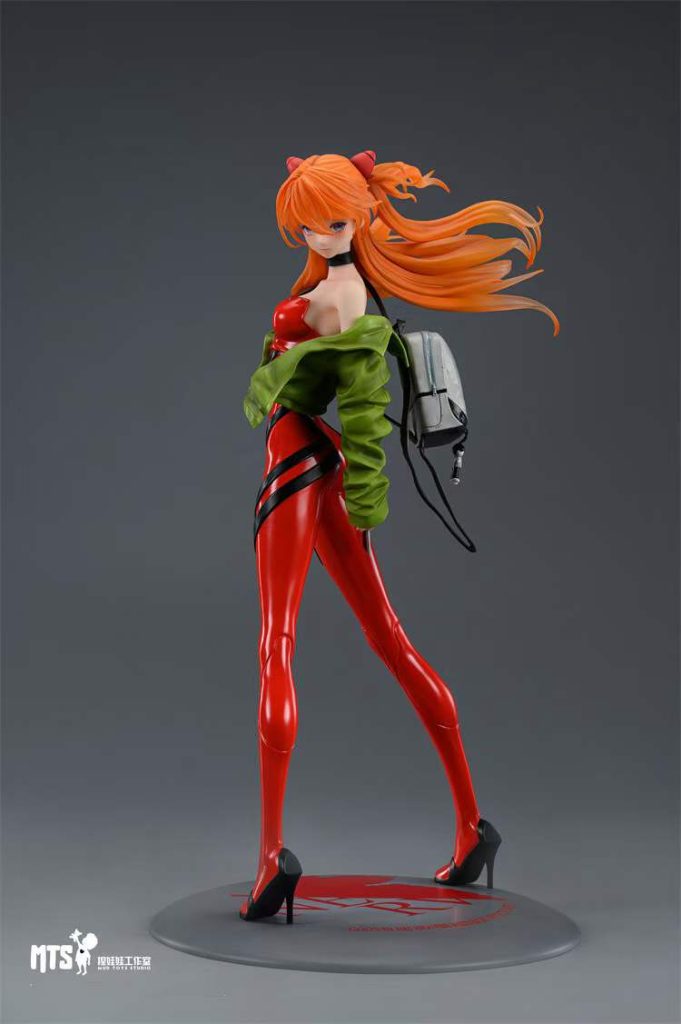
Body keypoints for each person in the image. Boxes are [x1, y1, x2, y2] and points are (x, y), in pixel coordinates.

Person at [240, 151, 559, 923]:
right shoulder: (338, 282)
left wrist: (366, 497)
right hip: (321, 461)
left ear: (360, 217)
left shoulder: (344, 295)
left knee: (277, 643)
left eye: (332, 220)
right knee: (387, 637)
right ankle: (470, 827)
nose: (319, 234)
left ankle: (270, 860)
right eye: (307, 224)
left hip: (297, 461)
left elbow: (361, 405)